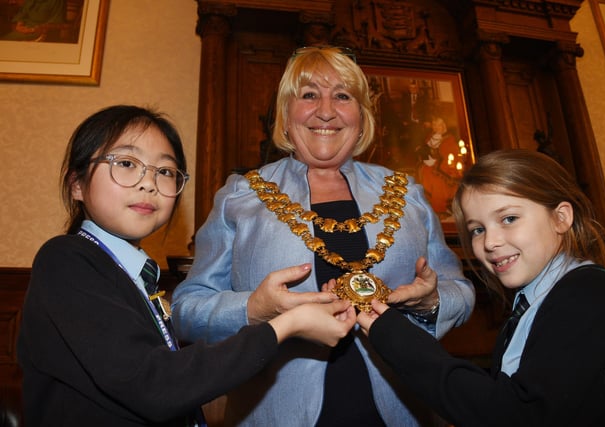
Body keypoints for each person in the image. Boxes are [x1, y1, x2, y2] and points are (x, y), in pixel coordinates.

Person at [171, 46, 475, 426]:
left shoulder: (405, 192)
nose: (326, 111)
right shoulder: (241, 195)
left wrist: (431, 301)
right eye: (309, 94)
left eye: (343, 96)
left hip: (400, 410)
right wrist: (255, 309)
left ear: (362, 119)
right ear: (285, 116)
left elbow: (460, 291)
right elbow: (186, 311)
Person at [17, 105, 357, 427]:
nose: (149, 183)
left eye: (165, 171)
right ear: (76, 183)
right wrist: (286, 325)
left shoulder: (134, 277)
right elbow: (157, 385)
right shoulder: (65, 260)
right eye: (126, 163)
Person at [357, 149, 605, 427]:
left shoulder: (587, 292)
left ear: (561, 217)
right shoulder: (535, 301)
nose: (490, 242)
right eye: (477, 229)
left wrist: (395, 336)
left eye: (509, 219)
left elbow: (516, 415)